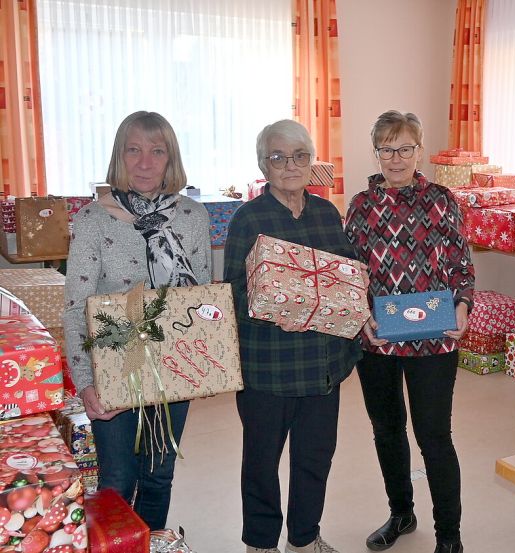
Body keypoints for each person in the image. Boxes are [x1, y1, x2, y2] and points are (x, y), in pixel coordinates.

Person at [64, 111, 211, 530]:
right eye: (134, 150)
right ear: (119, 156)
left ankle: (150, 542)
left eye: (157, 151)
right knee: (117, 479)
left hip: (172, 366)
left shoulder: (192, 217)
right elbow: (76, 307)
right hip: (113, 368)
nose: (145, 163)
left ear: (170, 158)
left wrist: (204, 366)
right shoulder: (92, 219)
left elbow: (200, 302)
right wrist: (85, 382)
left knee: (158, 475)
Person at [224, 120, 361, 553]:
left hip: (322, 364)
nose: (290, 166)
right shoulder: (248, 218)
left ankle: (304, 538)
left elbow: (346, 277)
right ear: (263, 164)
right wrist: (275, 307)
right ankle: (261, 543)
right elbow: (233, 291)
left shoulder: (327, 213)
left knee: (314, 459)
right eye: (279, 157)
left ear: (311, 161)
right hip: (269, 366)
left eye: (300, 156)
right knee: (261, 462)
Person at [345, 111, 474, 553]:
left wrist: (462, 305)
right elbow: (351, 272)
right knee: (387, 430)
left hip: (434, 339)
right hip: (378, 339)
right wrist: (362, 316)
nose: (396, 158)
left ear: (419, 150)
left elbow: (461, 265)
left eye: (404, 148)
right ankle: (401, 513)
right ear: (376, 152)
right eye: (387, 149)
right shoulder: (361, 206)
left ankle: (449, 536)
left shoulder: (442, 200)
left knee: (434, 436)